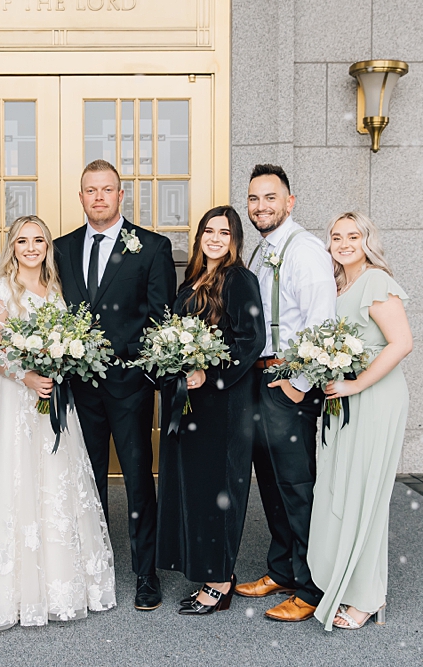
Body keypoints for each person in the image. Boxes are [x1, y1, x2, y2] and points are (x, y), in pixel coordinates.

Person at [0, 215, 116, 634]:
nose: (31, 247)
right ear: (12, 247)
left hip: (51, 399)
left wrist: (57, 367)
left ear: (47, 247)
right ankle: (11, 590)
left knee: (53, 483)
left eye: (38, 240)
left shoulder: (55, 289)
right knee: (13, 483)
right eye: (23, 241)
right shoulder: (3, 290)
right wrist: (25, 376)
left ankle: (56, 587)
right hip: (12, 400)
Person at [53, 159, 176, 611]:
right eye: (91, 190)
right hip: (78, 389)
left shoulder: (152, 246)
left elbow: (161, 317)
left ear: (121, 195)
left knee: (139, 479)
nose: (99, 197)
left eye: (107, 189)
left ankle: (146, 573)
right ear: (81, 196)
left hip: (130, 387)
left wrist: (140, 369)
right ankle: (93, 569)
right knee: (86, 480)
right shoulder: (61, 249)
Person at [233, 164, 337, 622]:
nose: (261, 207)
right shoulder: (261, 251)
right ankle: (283, 569)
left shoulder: (304, 250)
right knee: (272, 484)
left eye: (270, 198)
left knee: (297, 487)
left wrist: (299, 385)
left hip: (288, 382)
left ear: (289, 202)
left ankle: (313, 588)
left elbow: (322, 323)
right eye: (254, 199)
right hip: (261, 380)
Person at [157, 205, 266, 615]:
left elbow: (251, 340)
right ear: (200, 236)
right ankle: (207, 569)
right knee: (198, 489)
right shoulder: (193, 280)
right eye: (209, 231)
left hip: (224, 403)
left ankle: (220, 582)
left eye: (224, 232)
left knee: (220, 489)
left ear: (235, 240)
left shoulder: (239, 279)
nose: (216, 239)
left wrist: (211, 372)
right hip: (192, 403)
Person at [308, 212, 412, 630]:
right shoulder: (338, 286)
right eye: (337, 237)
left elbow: (401, 343)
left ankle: (368, 596)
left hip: (375, 398)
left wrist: (356, 384)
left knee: (365, 495)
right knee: (342, 490)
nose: (344, 244)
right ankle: (345, 582)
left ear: (368, 240)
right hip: (344, 400)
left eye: (353, 236)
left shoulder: (376, 281)